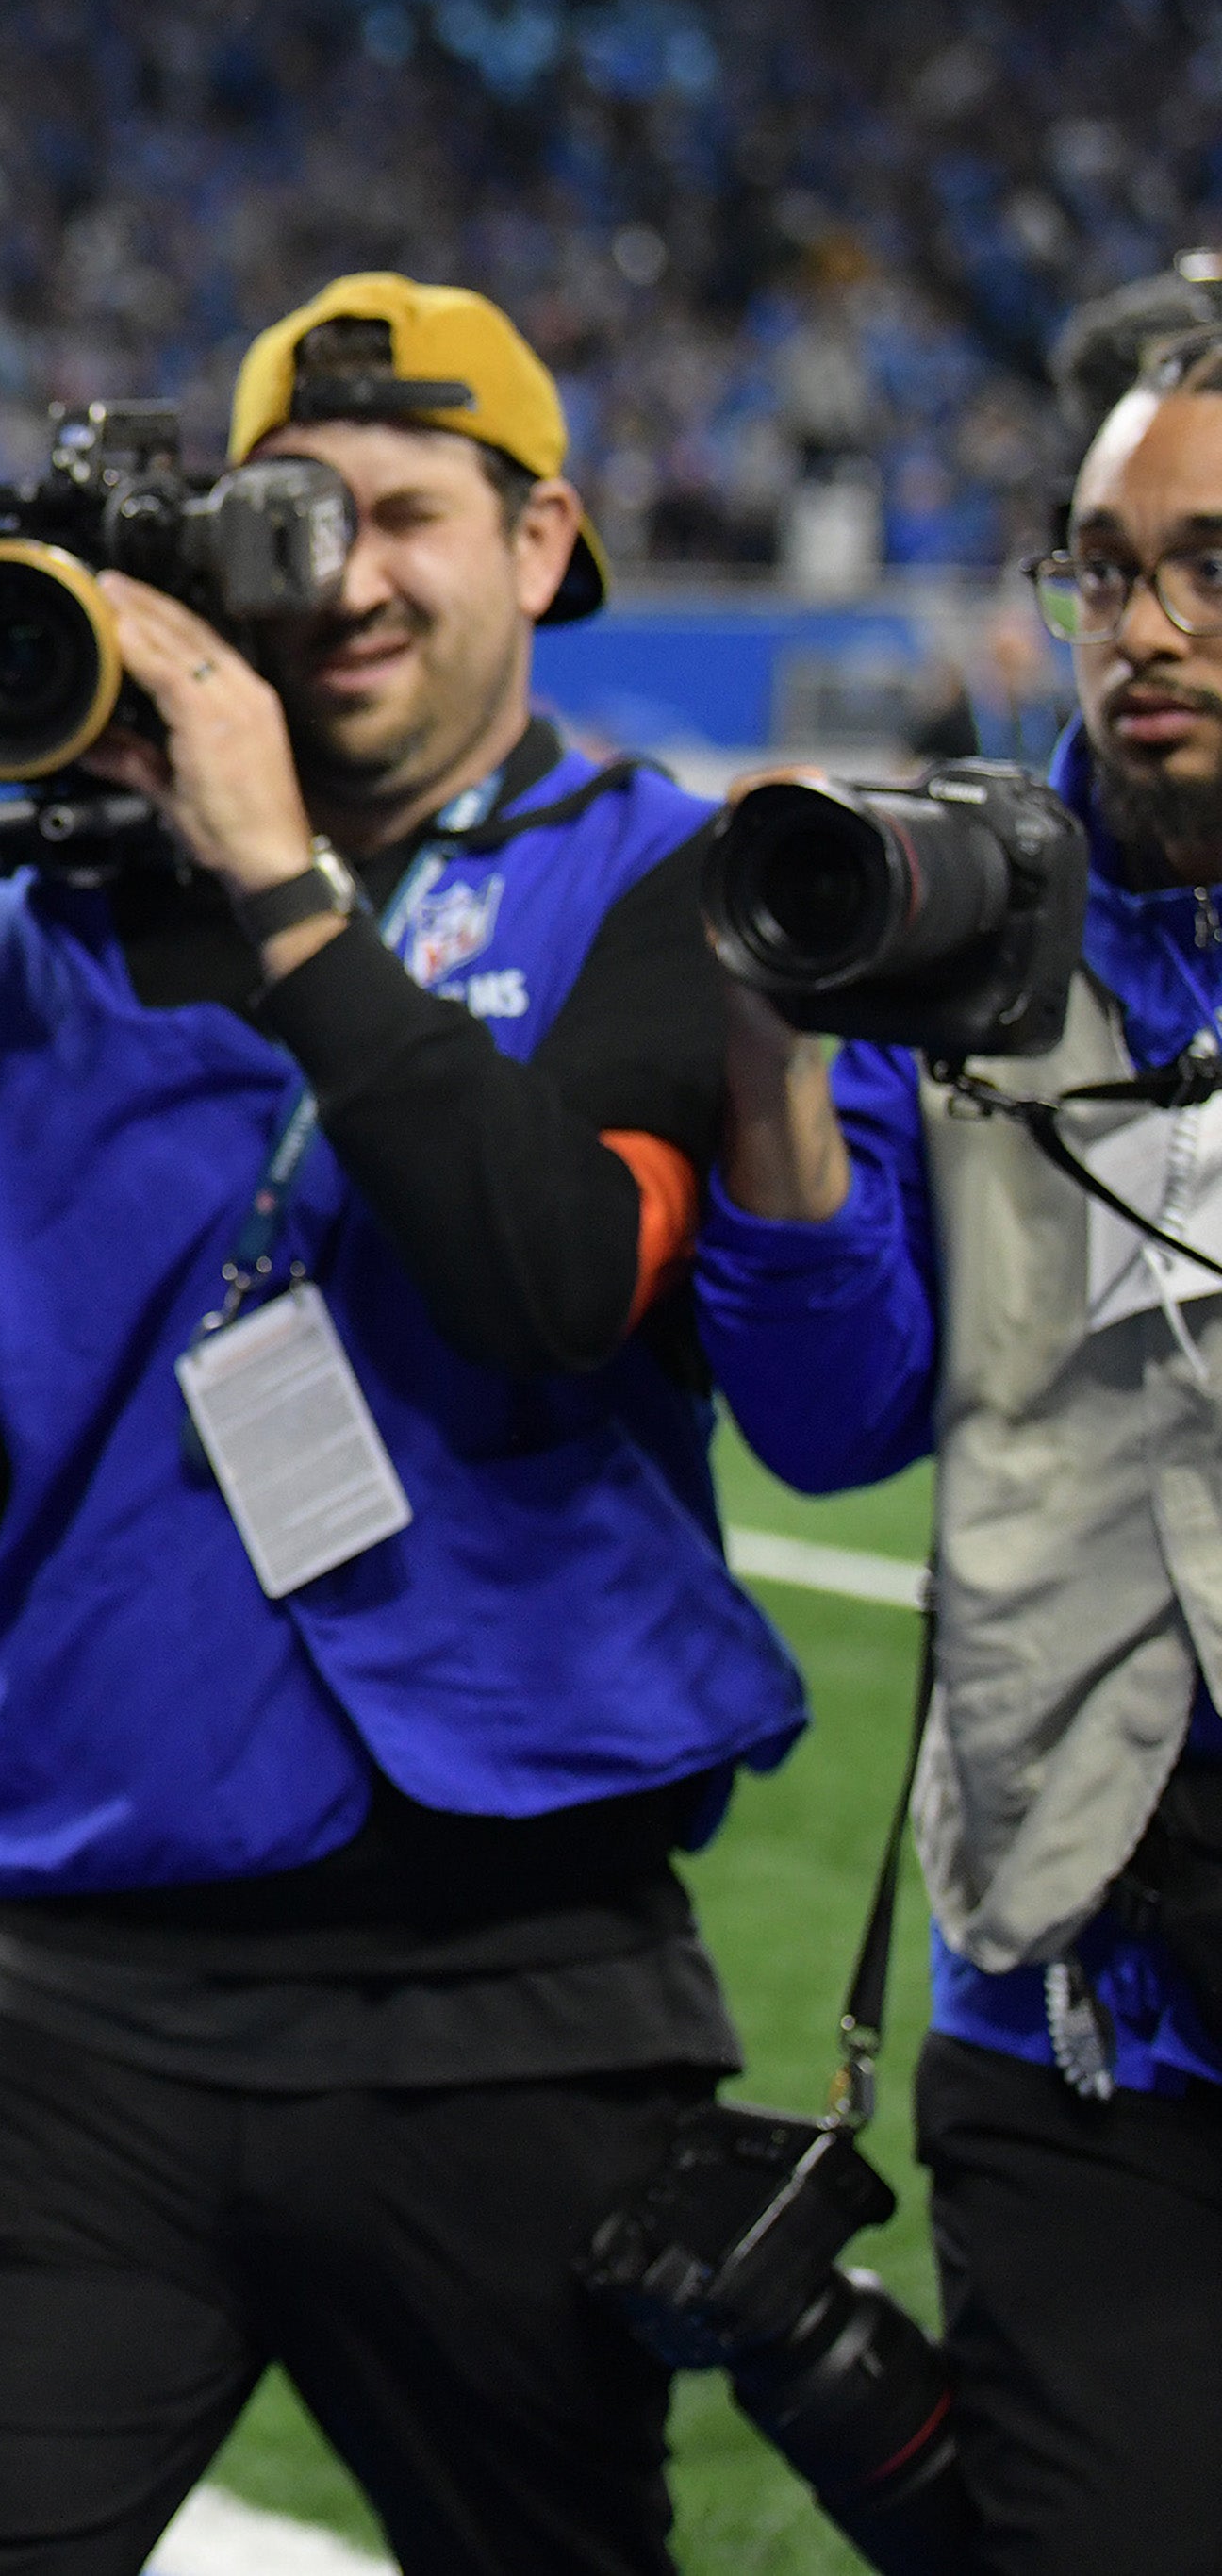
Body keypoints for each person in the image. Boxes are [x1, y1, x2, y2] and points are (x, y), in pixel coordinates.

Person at [0, 274, 810, 2576]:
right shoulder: (4, 945)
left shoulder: (666, 882)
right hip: (76, 1989)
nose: (348, 579)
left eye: (407, 516)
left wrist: (280, 884)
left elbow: (547, 1284)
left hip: (516, 1987)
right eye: (299, 522)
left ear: (547, 538)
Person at [687, 325, 1222, 2570]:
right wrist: (780, 1077)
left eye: (1212, 567)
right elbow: (832, 1422)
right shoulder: (980, 929)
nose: (1151, 632)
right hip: (1092, 2008)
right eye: (1105, 573)